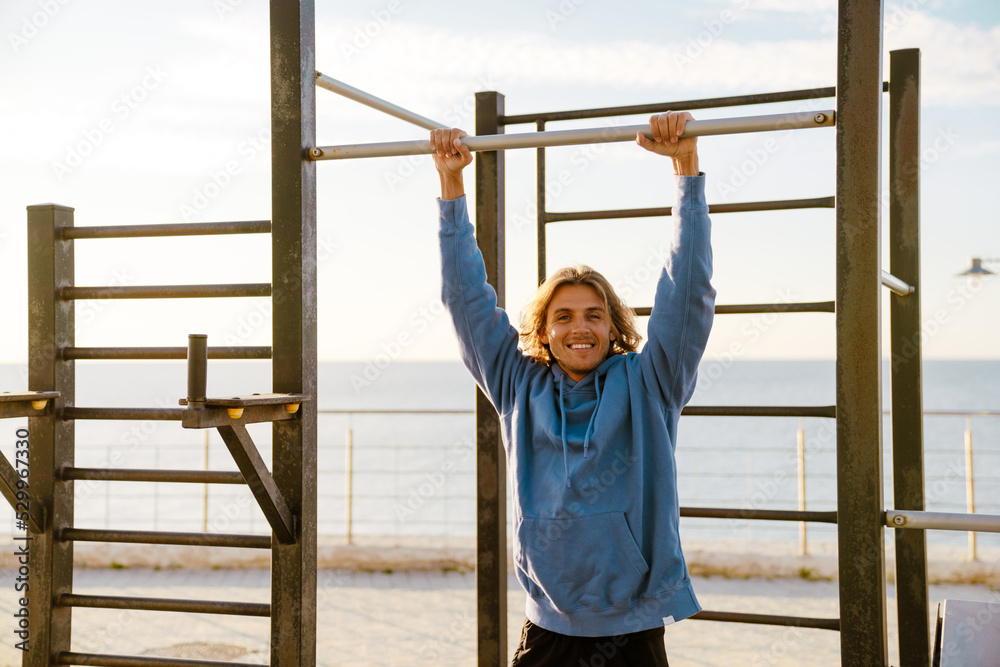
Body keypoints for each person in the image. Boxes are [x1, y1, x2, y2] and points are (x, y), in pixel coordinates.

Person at [431, 111, 715, 667]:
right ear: (542, 331)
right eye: (563, 316)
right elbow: (464, 299)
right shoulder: (518, 383)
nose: (579, 327)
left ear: (615, 327)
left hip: (631, 632)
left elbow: (689, 291)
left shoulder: (650, 382)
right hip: (547, 628)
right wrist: (450, 185)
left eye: (594, 315)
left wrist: (686, 170)